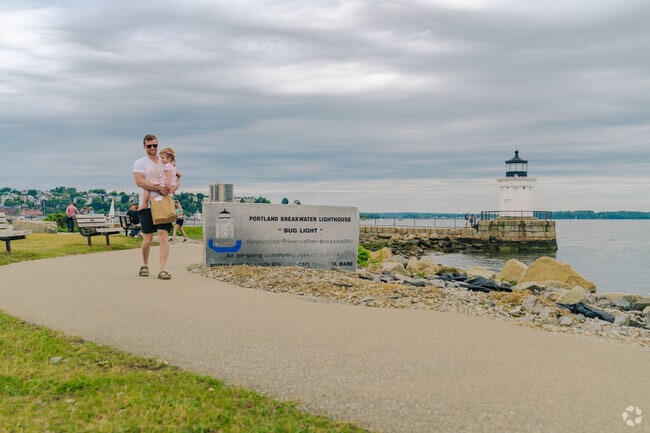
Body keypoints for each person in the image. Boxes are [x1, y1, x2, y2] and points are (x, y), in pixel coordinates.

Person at [133, 134, 180, 280]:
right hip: (147, 204)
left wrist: (172, 187)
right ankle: (145, 264)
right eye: (149, 146)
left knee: (163, 235)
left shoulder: (165, 160)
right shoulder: (140, 163)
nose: (152, 148)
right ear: (144, 146)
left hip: (163, 203)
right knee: (147, 238)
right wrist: (157, 187)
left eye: (155, 145)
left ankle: (162, 269)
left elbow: (175, 176)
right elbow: (139, 181)